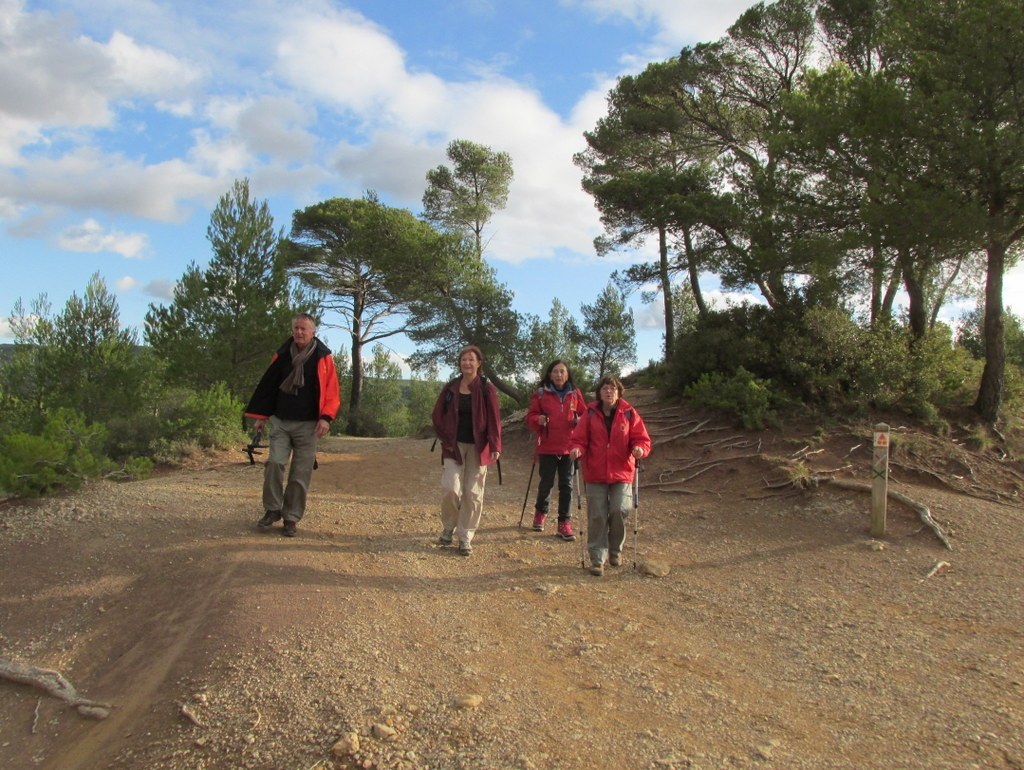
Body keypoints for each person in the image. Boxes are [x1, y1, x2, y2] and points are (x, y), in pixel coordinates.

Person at [244, 313, 341, 537]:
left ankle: (291, 517)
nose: (298, 332)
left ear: (313, 332)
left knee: (300, 473)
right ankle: (272, 509)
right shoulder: (282, 355)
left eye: (303, 329)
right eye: (296, 328)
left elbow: (332, 391)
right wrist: (261, 416)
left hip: (308, 425)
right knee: (274, 463)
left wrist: (326, 418)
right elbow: (269, 386)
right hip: (281, 421)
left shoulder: (322, 357)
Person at [569, 375, 652, 576]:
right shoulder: (589, 412)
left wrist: (640, 448)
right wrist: (577, 449)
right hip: (595, 472)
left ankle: (615, 549)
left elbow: (641, 439)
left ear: (619, 392)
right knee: (597, 515)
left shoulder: (630, 413)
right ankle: (598, 558)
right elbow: (578, 438)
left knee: (620, 509)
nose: (609, 391)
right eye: (605, 388)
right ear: (599, 392)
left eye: (613, 388)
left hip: (622, 471)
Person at [432, 345, 502, 556]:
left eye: (471, 360)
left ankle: (465, 536)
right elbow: (437, 415)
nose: (467, 363)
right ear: (459, 363)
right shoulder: (451, 387)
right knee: (450, 488)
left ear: (479, 363)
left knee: (473, 493)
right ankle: (448, 526)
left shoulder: (486, 388)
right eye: (464, 359)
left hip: (479, 447)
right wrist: (445, 439)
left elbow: (494, 419)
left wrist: (495, 445)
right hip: (454, 446)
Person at [524, 360, 586, 541]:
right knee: (546, 483)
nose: (559, 375)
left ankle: (564, 523)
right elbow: (530, 417)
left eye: (562, 372)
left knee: (566, 486)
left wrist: (579, 421)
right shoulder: (541, 393)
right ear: (550, 374)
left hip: (569, 448)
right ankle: (540, 512)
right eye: (555, 372)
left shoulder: (575, 394)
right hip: (547, 447)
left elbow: (585, 414)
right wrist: (539, 420)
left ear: (567, 375)